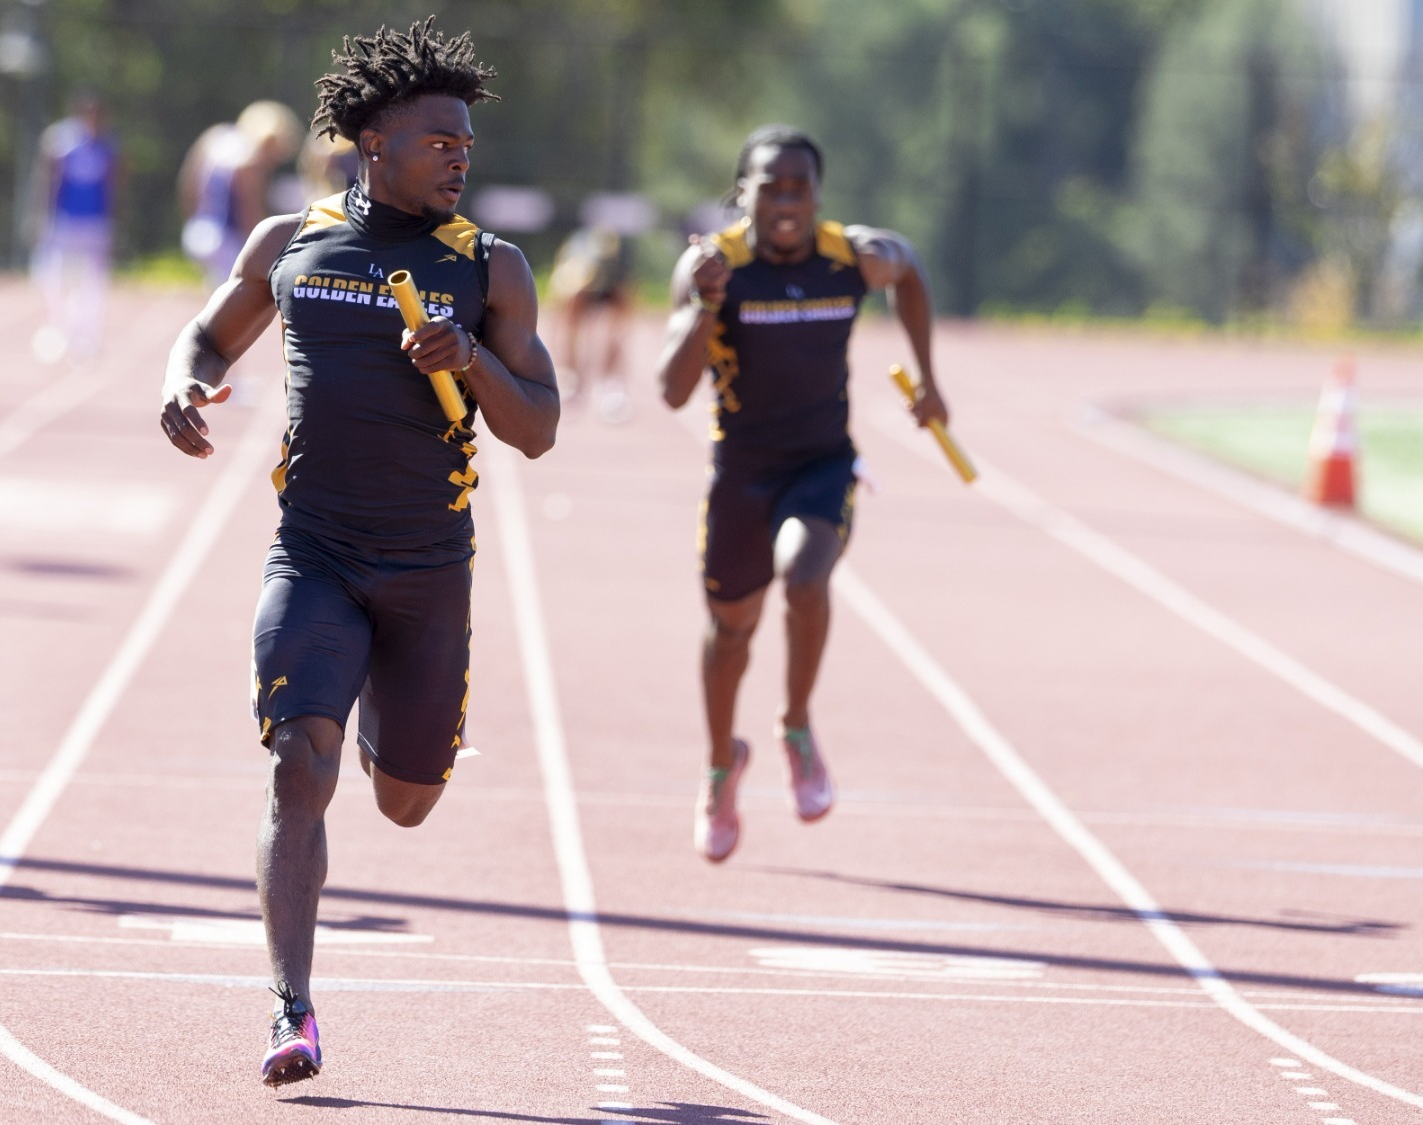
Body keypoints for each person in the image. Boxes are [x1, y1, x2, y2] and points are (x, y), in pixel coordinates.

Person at [158, 19, 558, 1087]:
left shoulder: (490, 269)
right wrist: (182, 384)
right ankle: (293, 1011)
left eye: (467, 144)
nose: (460, 157)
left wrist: (467, 360)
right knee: (298, 767)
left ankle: (386, 724)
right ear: (374, 139)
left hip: (428, 572)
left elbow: (538, 427)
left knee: (406, 799)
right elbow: (206, 335)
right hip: (315, 555)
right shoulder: (291, 243)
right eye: (439, 141)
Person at [654, 125, 949, 864]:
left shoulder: (853, 255)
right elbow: (671, 389)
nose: (786, 200)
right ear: (742, 193)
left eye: (800, 187)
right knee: (730, 632)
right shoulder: (713, 264)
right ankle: (721, 765)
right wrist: (706, 305)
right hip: (741, 475)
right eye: (770, 185)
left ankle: (795, 726)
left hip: (821, 465)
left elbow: (908, 273)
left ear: (818, 195)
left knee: (806, 574)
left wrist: (929, 377)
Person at [29, 90, 122, 363]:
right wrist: (41, 216)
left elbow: (114, 187)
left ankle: (86, 335)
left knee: (93, 282)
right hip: (64, 221)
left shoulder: (109, 147)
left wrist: (113, 221)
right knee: (53, 276)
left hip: (95, 223)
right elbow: (47, 181)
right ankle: (56, 328)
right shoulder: (60, 142)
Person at [178, 101, 304, 288]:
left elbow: (189, 183)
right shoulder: (250, 162)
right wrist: (262, 248)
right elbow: (249, 211)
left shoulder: (217, 138)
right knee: (243, 295)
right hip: (225, 239)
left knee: (217, 292)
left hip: (198, 228)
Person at [549, 223, 634, 422]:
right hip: (576, 284)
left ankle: (609, 383)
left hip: (609, 286)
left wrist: (615, 344)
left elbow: (623, 322)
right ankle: (571, 378)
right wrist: (567, 365)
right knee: (571, 330)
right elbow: (561, 325)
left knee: (616, 332)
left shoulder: (616, 271)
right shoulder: (570, 278)